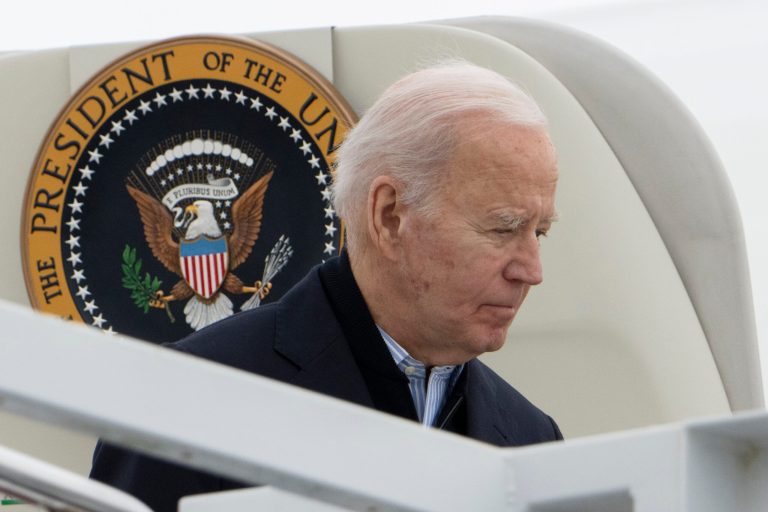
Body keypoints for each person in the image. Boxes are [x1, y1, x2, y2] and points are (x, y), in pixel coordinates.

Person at [90, 61, 562, 511]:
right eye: (503, 228)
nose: (531, 271)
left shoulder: (532, 439)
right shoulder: (184, 401)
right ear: (389, 215)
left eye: (538, 233)